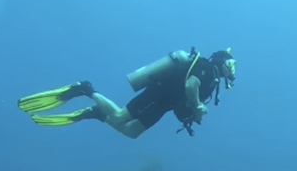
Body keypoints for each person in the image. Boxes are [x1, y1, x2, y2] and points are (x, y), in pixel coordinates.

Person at [16, 47, 237, 138]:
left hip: (165, 104)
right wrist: (198, 105)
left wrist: (194, 112)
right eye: (232, 64)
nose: (233, 69)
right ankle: (86, 89)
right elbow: (190, 86)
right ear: (222, 61)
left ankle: (97, 113)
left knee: (131, 132)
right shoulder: (207, 67)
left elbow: (186, 102)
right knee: (121, 117)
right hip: (159, 94)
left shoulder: (214, 80)